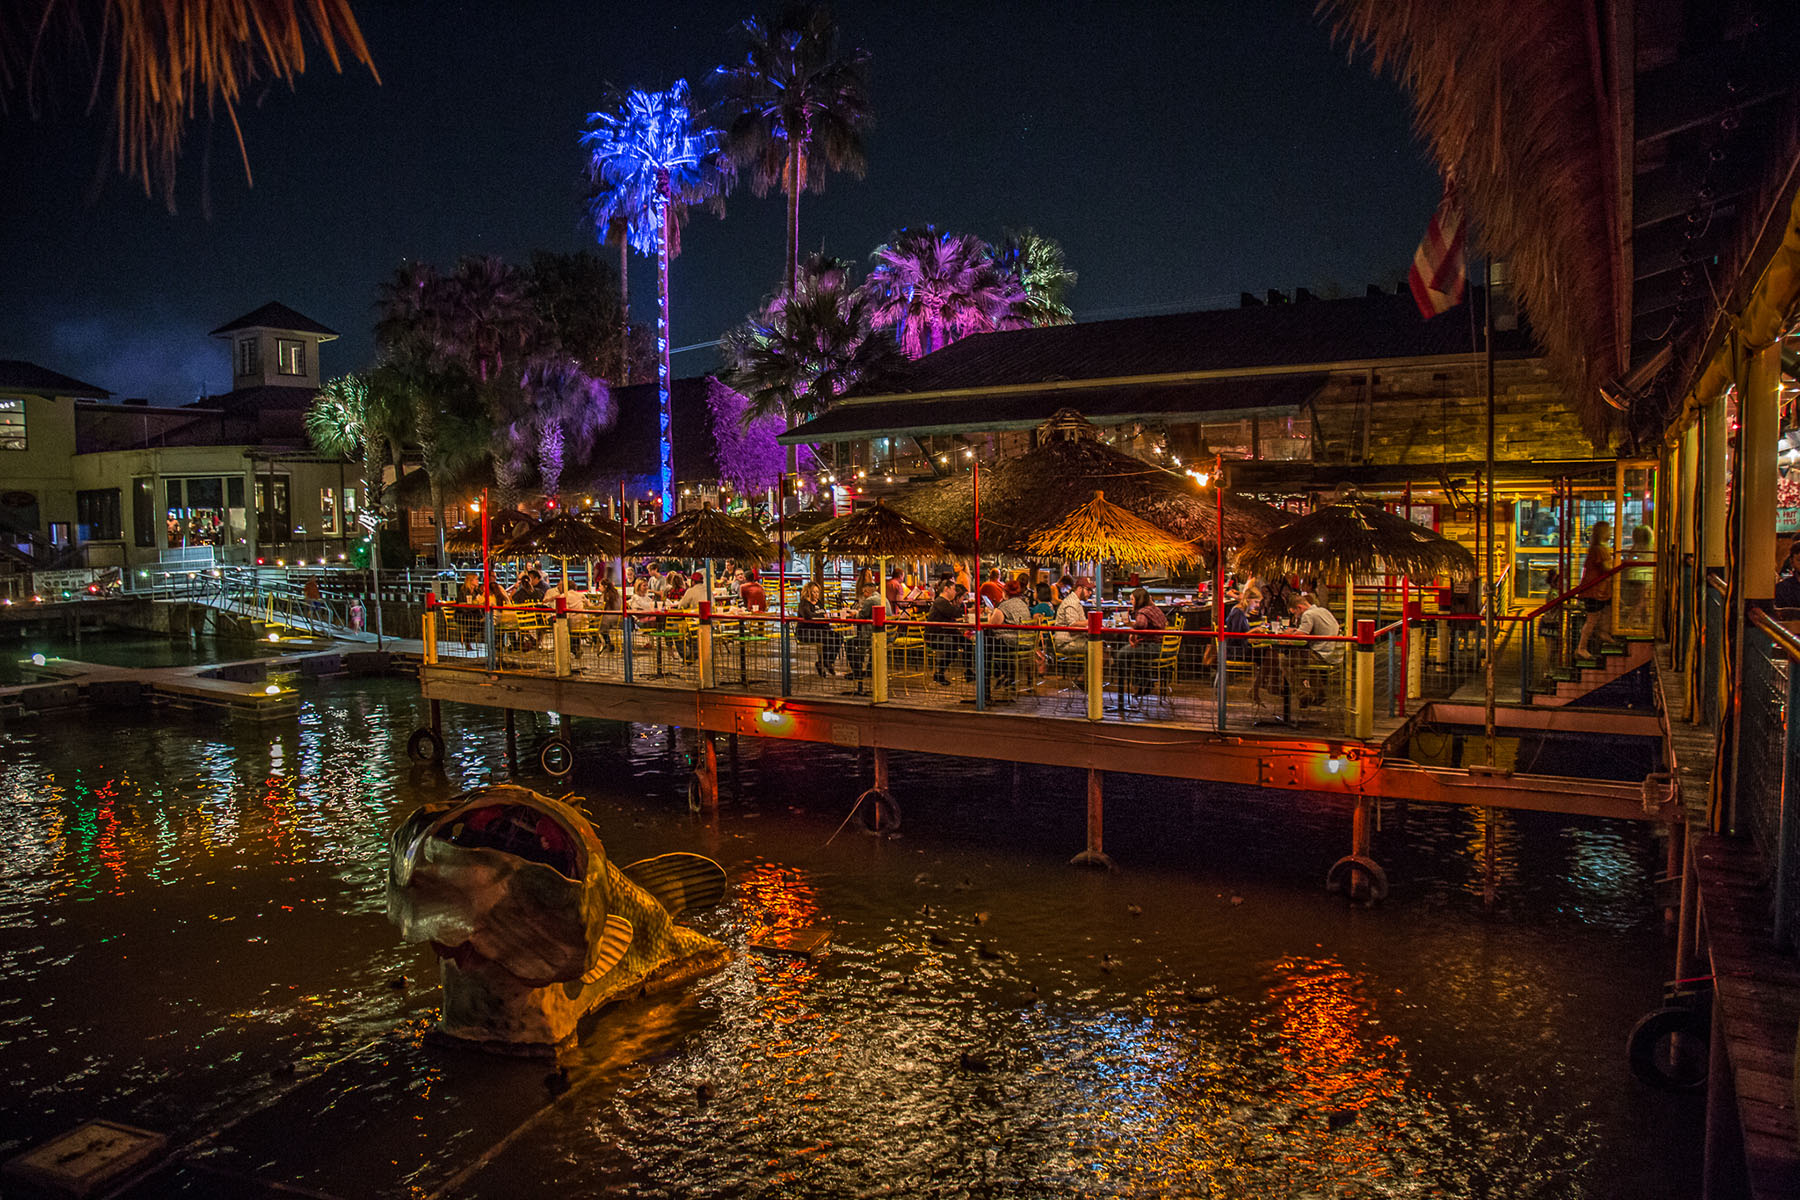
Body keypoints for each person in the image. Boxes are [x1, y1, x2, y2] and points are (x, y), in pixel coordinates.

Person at [1112, 588, 1169, 709]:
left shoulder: (1143, 612)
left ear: (1138, 600)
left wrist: (1132, 629)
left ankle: (1125, 690)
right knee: (1133, 653)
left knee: (1121, 654)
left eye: (1132, 599)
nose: (1130, 602)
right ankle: (1143, 681)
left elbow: (1141, 625)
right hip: (1162, 647)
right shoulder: (1154, 609)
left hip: (1152, 648)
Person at [1288, 592, 1342, 708]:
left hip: (1321, 653)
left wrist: (1290, 632)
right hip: (1332, 652)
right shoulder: (1323, 610)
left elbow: (1301, 635)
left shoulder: (1308, 615)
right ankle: (1317, 693)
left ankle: (1303, 694)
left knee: (1285, 662)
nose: (1296, 617)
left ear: (1299, 608)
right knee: (1300, 659)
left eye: (1295, 613)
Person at [1574, 520, 1614, 660]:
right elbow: (1606, 568)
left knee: (1605, 611)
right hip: (1595, 591)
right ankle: (1581, 648)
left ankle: (1603, 632)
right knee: (1592, 619)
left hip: (1599, 590)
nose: (1611, 532)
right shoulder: (1599, 549)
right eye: (1609, 530)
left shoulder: (1598, 548)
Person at [924, 579, 972, 684]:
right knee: (952, 647)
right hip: (935, 636)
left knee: (967, 644)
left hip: (946, 634)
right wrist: (969, 611)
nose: (955, 592)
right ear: (946, 589)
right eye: (954, 589)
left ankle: (968, 671)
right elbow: (953, 613)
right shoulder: (940, 601)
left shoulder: (945, 602)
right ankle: (939, 673)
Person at [796, 581, 841, 676]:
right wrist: (822, 616)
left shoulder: (819, 603)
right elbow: (809, 615)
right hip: (807, 631)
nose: (816, 594)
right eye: (814, 592)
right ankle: (824, 662)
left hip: (821, 629)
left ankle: (828, 661)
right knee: (827, 639)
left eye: (817, 592)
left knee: (838, 637)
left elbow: (823, 614)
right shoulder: (804, 604)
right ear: (808, 592)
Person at [1622, 524, 1654, 627]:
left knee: (1642, 599)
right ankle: (1632, 622)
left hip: (1634, 574)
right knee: (1643, 600)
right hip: (1647, 576)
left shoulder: (1636, 546)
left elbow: (1630, 559)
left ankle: (1643, 622)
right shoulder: (1653, 546)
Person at [1053, 575, 1094, 654]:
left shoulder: (1076, 601)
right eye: (1088, 589)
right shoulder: (1071, 603)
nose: (1090, 593)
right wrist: (1093, 621)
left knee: (1101, 646)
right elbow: (1073, 627)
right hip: (1066, 643)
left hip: (1076, 640)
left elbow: (1080, 623)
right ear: (1079, 588)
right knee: (1096, 648)